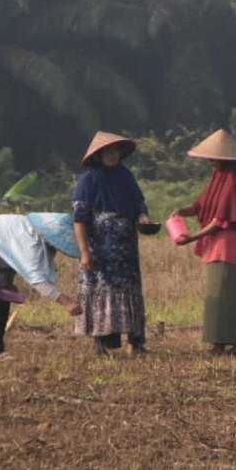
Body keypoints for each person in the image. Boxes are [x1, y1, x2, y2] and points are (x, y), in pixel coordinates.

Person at [0, 213, 83, 361]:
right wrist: (66, 301)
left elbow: (12, 255)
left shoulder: (36, 236)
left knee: (2, 303)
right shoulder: (29, 241)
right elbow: (36, 279)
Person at [170, 129, 236, 356]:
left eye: (213, 158)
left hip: (228, 245)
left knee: (222, 294)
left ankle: (219, 344)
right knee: (225, 294)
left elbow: (220, 221)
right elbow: (201, 205)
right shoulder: (220, 178)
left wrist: (192, 238)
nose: (210, 161)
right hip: (217, 243)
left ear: (225, 159)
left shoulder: (234, 182)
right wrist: (182, 210)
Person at [72, 130, 152, 357]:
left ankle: (135, 342)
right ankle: (100, 342)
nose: (112, 154)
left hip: (126, 249)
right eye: (107, 151)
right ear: (98, 155)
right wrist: (85, 251)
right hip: (100, 248)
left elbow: (139, 204)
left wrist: (143, 218)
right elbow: (79, 220)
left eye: (115, 150)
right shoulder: (89, 181)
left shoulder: (126, 177)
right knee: (100, 291)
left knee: (130, 291)